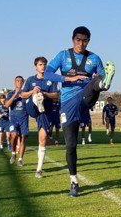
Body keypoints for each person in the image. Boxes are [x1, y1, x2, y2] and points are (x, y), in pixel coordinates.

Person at [44, 26, 115, 197]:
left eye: (85, 40)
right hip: (68, 103)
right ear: (73, 40)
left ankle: (103, 83)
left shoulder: (94, 58)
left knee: (96, 82)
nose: (81, 44)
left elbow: (98, 74)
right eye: (78, 40)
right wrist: (68, 78)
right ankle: (74, 182)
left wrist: (100, 80)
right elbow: (47, 74)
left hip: (85, 98)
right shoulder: (63, 55)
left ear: (88, 41)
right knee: (71, 145)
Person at [21, 56, 60, 178]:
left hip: (45, 111)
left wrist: (44, 93)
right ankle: (36, 100)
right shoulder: (30, 80)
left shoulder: (51, 80)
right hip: (31, 108)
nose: (43, 67)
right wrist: (33, 92)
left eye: (44, 65)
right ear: (35, 66)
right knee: (35, 96)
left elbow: (56, 95)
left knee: (42, 139)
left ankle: (39, 169)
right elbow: (22, 94)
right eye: (40, 65)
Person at [4, 76, 29, 166]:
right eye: (17, 81)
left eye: (21, 81)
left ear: (23, 83)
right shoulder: (11, 93)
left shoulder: (26, 94)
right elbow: (6, 105)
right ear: (14, 83)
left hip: (24, 119)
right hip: (13, 119)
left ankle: (20, 159)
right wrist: (15, 95)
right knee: (14, 135)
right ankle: (13, 154)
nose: (19, 82)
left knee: (22, 138)